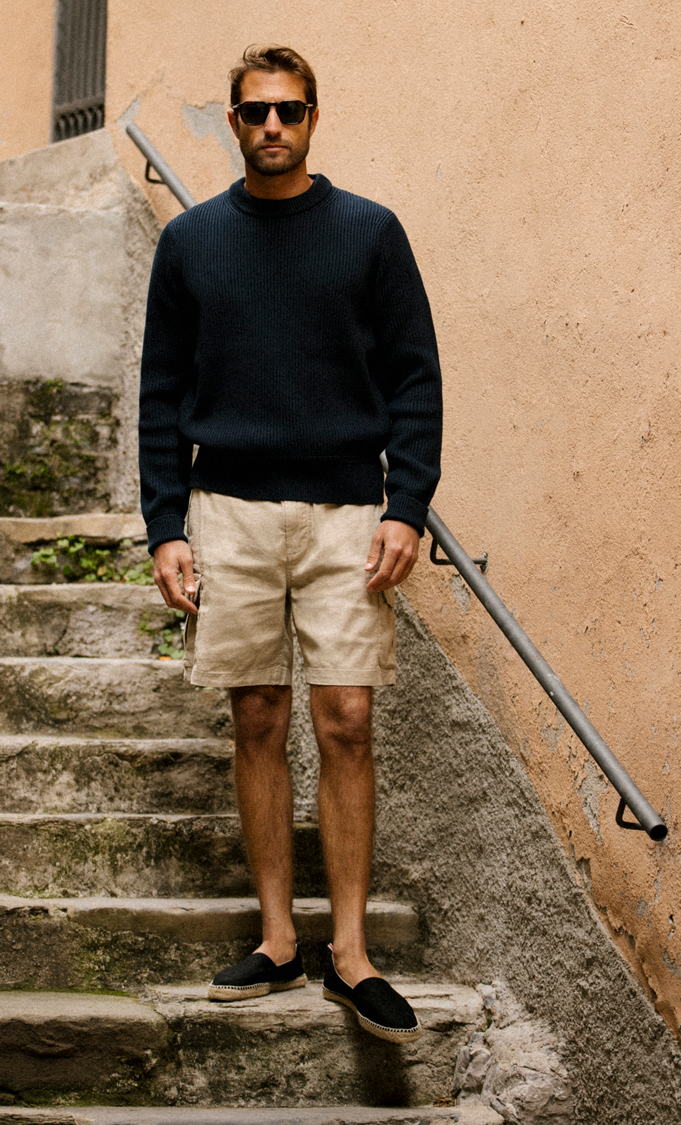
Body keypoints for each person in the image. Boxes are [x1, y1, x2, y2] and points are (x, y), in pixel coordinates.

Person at [139, 44, 442, 1044]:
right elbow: (159, 394)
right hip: (227, 508)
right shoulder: (190, 243)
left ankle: (351, 955)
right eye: (256, 110)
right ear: (233, 121)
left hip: (348, 511)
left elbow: (414, 377)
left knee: (346, 716)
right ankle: (278, 941)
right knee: (258, 714)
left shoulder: (370, 234)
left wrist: (406, 507)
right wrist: (165, 526)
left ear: (314, 118)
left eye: (290, 110)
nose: (273, 125)